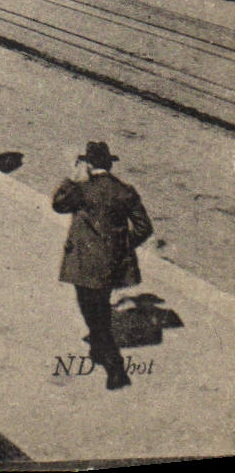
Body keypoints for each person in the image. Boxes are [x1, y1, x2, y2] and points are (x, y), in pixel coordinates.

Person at [52, 141, 153, 391]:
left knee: (93, 313)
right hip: (112, 264)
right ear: (108, 164)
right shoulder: (125, 191)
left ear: (87, 164)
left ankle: (115, 369)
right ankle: (99, 350)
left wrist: (72, 180)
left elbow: (58, 204)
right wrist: (121, 245)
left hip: (84, 263)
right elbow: (144, 228)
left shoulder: (82, 190)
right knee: (99, 308)